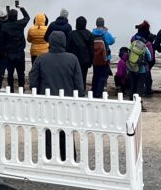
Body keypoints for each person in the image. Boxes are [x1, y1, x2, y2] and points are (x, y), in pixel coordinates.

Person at [29, 31, 84, 160]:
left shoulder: (41, 58)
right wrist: (79, 96)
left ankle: (49, 157)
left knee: (48, 131)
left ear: (50, 43)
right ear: (64, 42)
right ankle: (69, 158)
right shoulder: (72, 58)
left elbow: (33, 78)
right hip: (67, 102)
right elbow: (79, 82)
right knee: (67, 132)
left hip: (47, 102)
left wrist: (36, 92)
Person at [0, 4, 31, 90]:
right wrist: (22, 8)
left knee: (10, 73)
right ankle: (21, 88)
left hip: (9, 54)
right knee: (21, 73)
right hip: (20, 53)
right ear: (16, 17)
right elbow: (27, 17)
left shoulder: (5, 26)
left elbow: (1, 41)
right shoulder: (20, 24)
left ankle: (11, 89)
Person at [66, 15, 95, 95]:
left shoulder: (71, 34)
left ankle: (73, 92)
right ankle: (81, 92)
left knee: (72, 77)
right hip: (85, 61)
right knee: (83, 77)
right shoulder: (89, 34)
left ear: (76, 24)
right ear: (85, 24)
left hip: (72, 60)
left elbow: (67, 48)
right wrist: (90, 61)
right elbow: (92, 50)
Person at [127, 23, 155, 101]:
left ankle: (130, 101)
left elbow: (130, 50)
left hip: (132, 66)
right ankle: (138, 104)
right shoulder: (147, 43)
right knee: (140, 86)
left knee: (133, 85)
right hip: (142, 68)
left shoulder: (133, 38)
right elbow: (150, 58)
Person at [91, 17, 116, 98]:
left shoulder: (92, 33)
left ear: (96, 23)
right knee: (103, 76)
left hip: (94, 59)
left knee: (95, 75)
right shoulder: (106, 33)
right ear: (103, 24)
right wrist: (106, 31)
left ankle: (93, 92)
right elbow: (112, 41)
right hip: (105, 59)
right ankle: (99, 93)